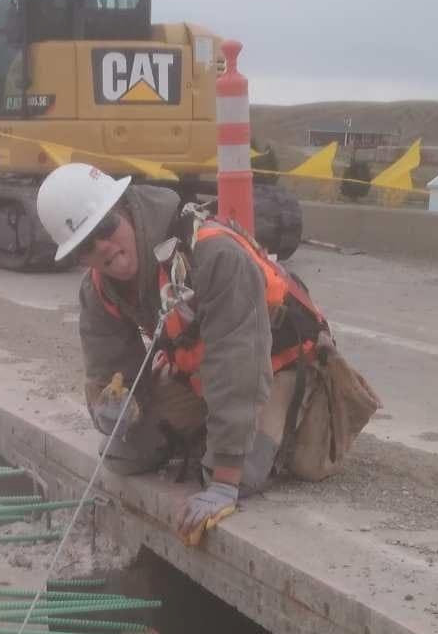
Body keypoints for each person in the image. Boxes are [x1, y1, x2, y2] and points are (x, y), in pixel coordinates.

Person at [36, 163, 381, 546]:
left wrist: (224, 478)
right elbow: (107, 368)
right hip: (201, 375)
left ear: (127, 210)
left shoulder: (213, 253)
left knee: (237, 474)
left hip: (273, 365)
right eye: (85, 246)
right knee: (123, 454)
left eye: (104, 229)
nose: (102, 248)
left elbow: (238, 367)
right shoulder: (99, 289)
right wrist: (109, 405)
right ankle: (212, 434)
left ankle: (274, 428)